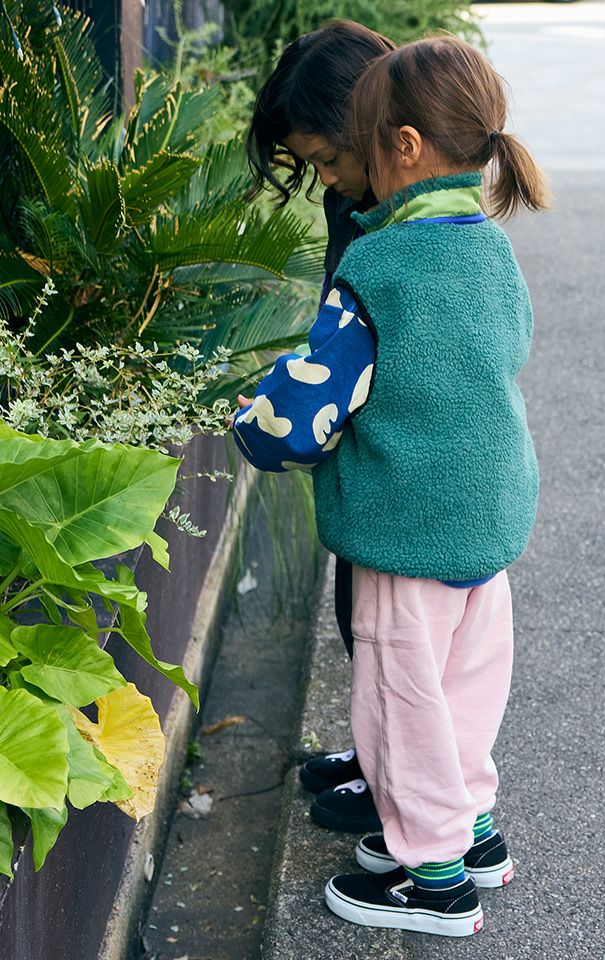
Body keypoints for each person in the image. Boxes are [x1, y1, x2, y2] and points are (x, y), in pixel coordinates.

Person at [233, 33, 547, 937]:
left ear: (401, 148)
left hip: (407, 527)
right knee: (463, 691)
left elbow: (308, 411)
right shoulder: (492, 250)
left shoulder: (377, 268)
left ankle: (436, 879)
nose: (346, 177)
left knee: (400, 702)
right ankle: (474, 831)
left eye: (357, 151)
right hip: (488, 521)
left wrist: (253, 421)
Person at [245, 19, 393, 836]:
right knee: (357, 616)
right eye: (313, 167)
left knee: (398, 641)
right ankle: (379, 758)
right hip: (360, 458)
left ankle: (411, 798)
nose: (326, 181)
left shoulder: (413, 226)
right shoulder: (354, 200)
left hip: (400, 463)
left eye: (331, 158)